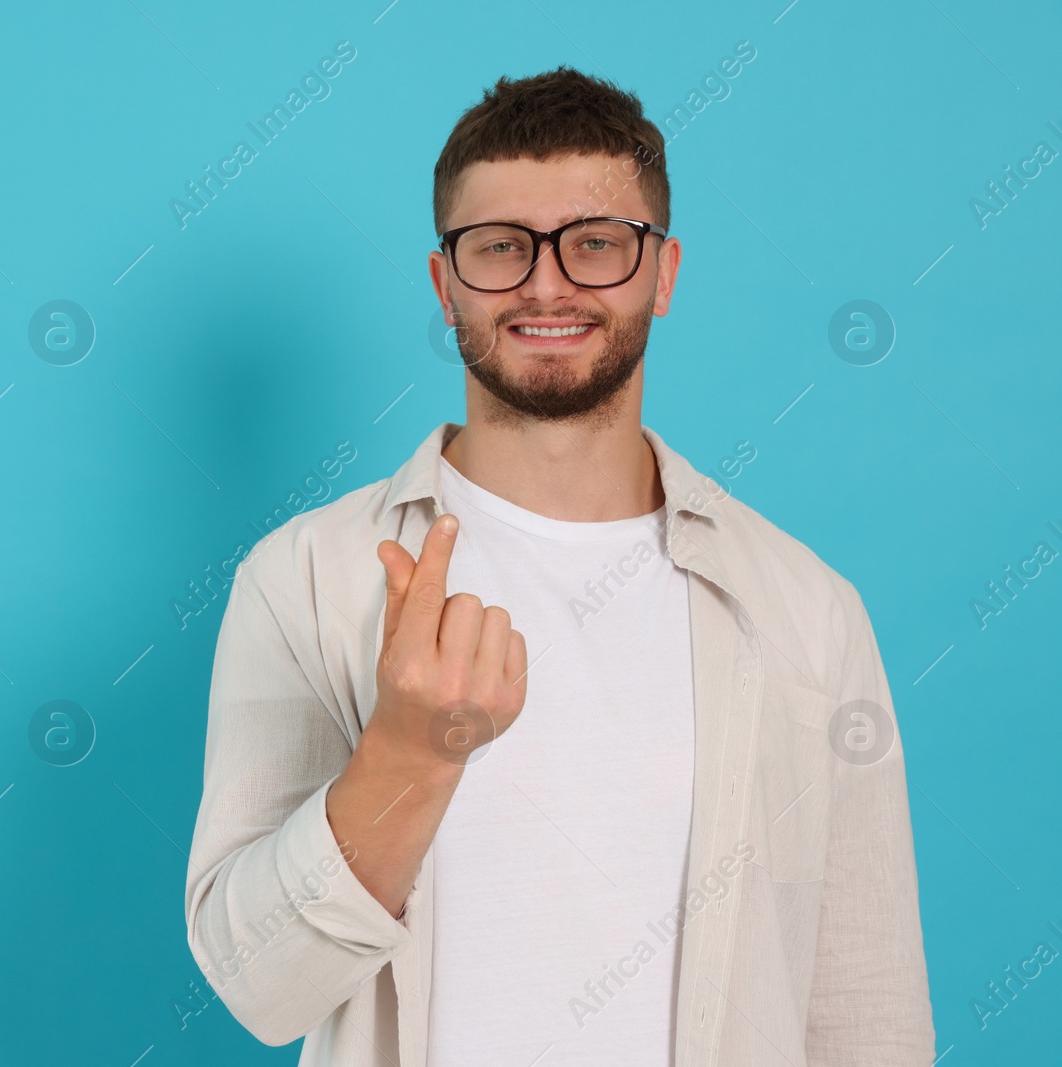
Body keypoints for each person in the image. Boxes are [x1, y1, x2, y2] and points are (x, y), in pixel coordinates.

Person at [184, 66, 934, 1066]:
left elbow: (866, 1010)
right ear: (444, 281)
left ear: (661, 273)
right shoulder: (305, 579)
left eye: (595, 244)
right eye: (499, 248)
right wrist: (407, 754)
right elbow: (258, 985)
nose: (547, 283)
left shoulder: (805, 606)